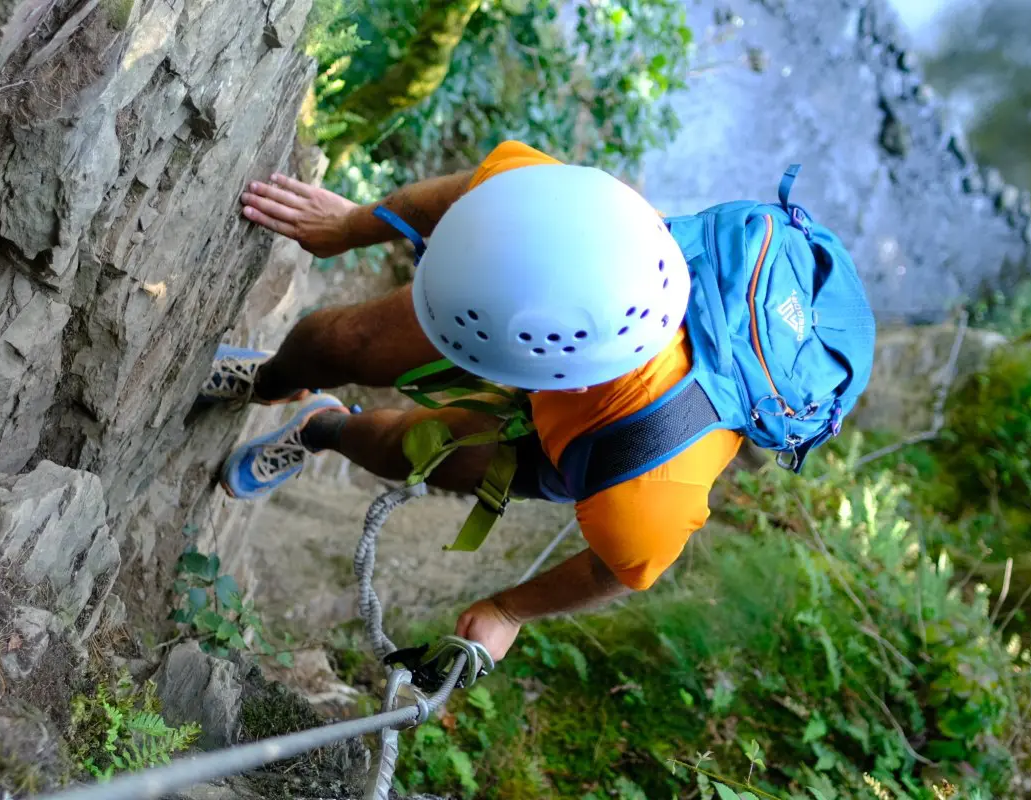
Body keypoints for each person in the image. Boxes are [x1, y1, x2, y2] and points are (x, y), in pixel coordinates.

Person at [210, 141, 746, 663]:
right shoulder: (585, 218)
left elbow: (613, 571)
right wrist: (353, 224)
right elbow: (472, 190)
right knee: (345, 343)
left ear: (566, 385)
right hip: (527, 314)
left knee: (422, 453)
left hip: (607, 436)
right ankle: (269, 381)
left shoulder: (644, 498)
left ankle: (319, 428)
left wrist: (509, 611)